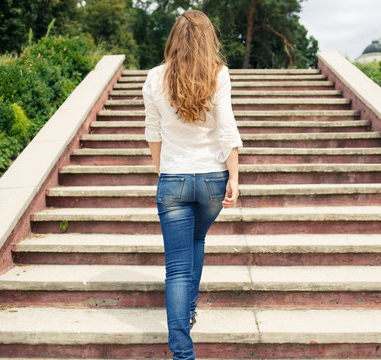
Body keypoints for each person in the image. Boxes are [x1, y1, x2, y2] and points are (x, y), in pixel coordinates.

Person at [142, 9, 243, 360]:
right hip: (213, 179)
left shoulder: (154, 78)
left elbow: (153, 135)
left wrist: (163, 171)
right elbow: (226, 127)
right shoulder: (219, 74)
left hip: (173, 180)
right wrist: (235, 176)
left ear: (173, 39)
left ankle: (182, 354)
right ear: (207, 39)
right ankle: (189, 311)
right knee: (197, 240)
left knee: (177, 269)